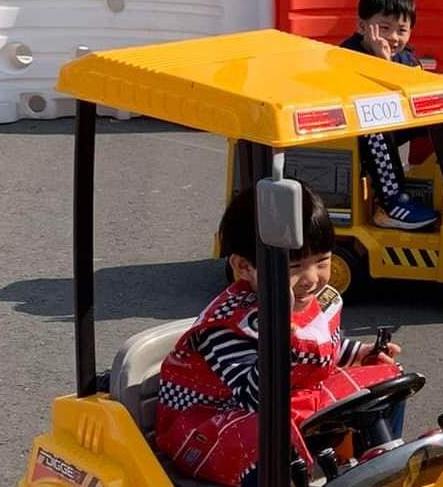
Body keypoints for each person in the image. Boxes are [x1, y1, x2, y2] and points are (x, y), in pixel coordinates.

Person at [155, 186, 406, 486]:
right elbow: (253, 398)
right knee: (267, 433)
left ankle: (382, 469)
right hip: (215, 419)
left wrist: (359, 353)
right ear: (244, 267)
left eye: (322, 261)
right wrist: (280, 343)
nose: (311, 278)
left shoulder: (312, 300)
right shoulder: (225, 327)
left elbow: (323, 346)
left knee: (386, 381)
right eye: (294, 266)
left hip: (287, 400)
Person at [339, 0, 438, 230]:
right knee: (375, 130)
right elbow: (370, 102)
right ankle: (391, 203)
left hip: (393, 121)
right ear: (362, 26)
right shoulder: (347, 55)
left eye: (402, 30)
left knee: (440, 118)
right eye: (384, 28)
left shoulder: (406, 56)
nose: (394, 37)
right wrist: (383, 63)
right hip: (357, 130)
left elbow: (414, 88)